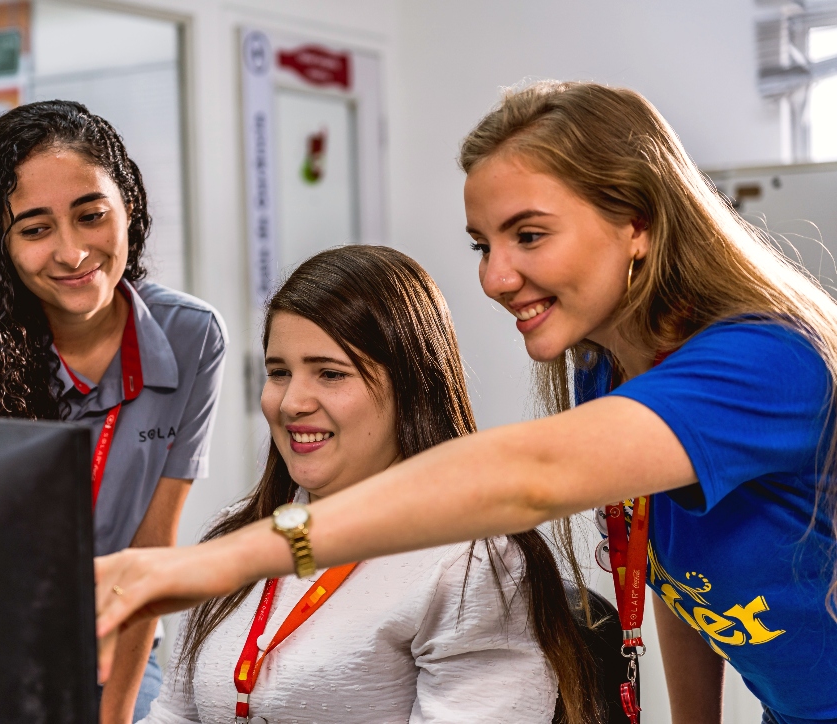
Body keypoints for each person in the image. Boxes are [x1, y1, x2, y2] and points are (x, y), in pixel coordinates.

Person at [96, 81, 837, 724]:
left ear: (636, 224)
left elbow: (529, 478)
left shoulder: (767, 362)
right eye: (483, 245)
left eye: (530, 235)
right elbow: (681, 577)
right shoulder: (607, 368)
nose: (495, 278)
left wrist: (221, 562)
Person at [0, 100, 228, 724]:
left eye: (91, 216)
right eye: (35, 229)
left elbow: (152, 550)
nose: (72, 252)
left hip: (114, 639)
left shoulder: (192, 336)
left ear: (128, 207)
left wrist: (113, 716)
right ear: (1, 245)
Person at [143, 245, 601, 724]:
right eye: (279, 372)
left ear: (411, 387)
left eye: (330, 374)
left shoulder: (470, 565)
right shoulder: (237, 534)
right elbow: (174, 715)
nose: (292, 402)